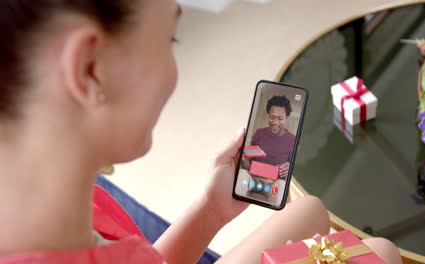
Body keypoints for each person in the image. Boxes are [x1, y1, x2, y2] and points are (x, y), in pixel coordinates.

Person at [0, 0, 403, 264]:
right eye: (169, 38)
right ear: (91, 68)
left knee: (309, 209)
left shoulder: (56, 201)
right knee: (382, 253)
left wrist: (210, 212)